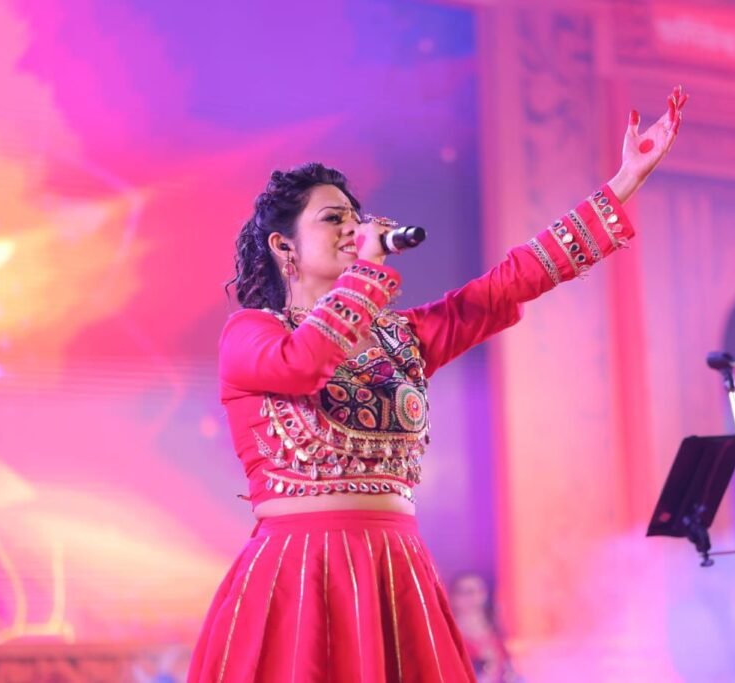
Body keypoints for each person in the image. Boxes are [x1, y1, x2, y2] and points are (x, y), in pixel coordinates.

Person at [187, 86, 688, 683]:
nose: (352, 227)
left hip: (394, 571)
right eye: (332, 218)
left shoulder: (403, 338)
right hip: (300, 575)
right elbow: (304, 363)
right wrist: (368, 270)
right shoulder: (251, 335)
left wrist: (624, 182)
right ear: (282, 245)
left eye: (354, 216)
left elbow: (503, 287)